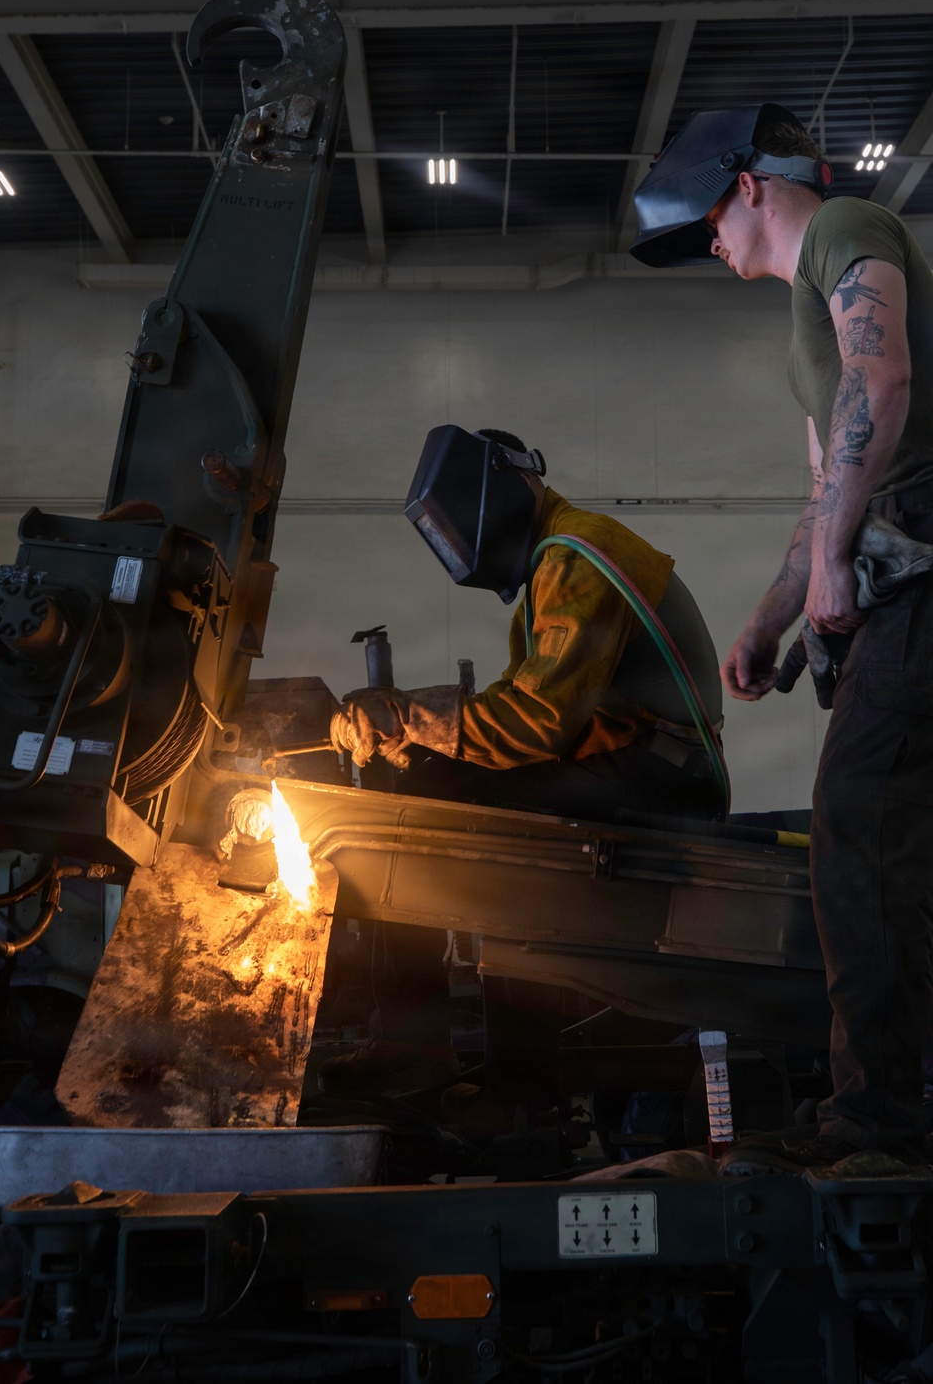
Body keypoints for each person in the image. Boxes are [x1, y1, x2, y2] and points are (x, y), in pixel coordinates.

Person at [632, 102, 933, 1168]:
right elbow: (826, 487)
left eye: (706, 221)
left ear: (748, 185)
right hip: (889, 592)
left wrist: (845, 558)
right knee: (883, 849)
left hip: (918, 588)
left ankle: (884, 1129)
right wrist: (766, 620)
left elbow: (883, 382)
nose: (707, 244)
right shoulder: (804, 322)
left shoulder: (847, 227)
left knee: (857, 834)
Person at [319, 425, 723, 1104]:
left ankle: (428, 1051)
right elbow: (522, 710)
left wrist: (405, 719)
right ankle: (472, 1060)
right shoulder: (554, 564)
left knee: (424, 814)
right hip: (638, 762)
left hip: (666, 778)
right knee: (431, 782)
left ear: (513, 485)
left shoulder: (579, 556)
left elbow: (537, 722)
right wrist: (415, 736)